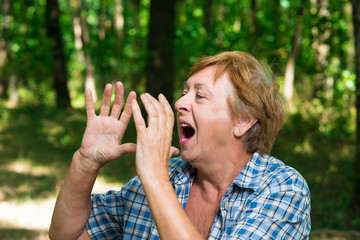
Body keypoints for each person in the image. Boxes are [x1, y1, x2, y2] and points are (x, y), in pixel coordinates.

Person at [49, 51, 311, 240]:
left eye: (199, 95)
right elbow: (65, 235)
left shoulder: (283, 189)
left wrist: (155, 176)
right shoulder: (163, 179)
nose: (180, 103)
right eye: (185, 92)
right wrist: (85, 162)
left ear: (242, 120)